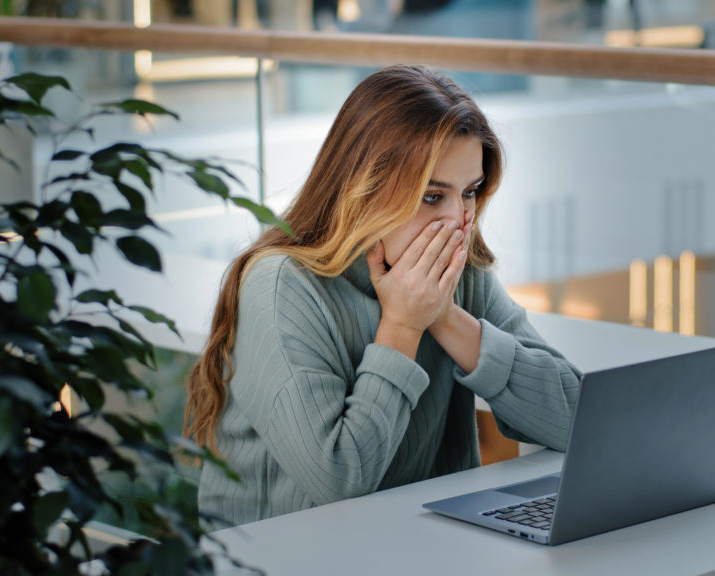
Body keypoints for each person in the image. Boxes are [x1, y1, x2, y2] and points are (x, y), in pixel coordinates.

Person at [185, 65, 582, 527]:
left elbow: (577, 422)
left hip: (422, 549)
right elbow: (339, 480)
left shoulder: (459, 274)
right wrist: (402, 326)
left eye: (469, 192)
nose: (460, 221)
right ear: (364, 190)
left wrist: (445, 317)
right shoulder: (282, 286)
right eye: (433, 197)